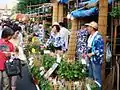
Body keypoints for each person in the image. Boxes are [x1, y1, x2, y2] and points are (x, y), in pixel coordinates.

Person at [85, 21, 104, 88]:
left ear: (92, 28)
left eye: (89, 27)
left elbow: (100, 50)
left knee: (97, 77)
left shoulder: (98, 37)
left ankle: (98, 88)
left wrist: (92, 53)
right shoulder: (90, 36)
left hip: (96, 60)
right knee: (90, 75)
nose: (87, 28)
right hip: (90, 59)